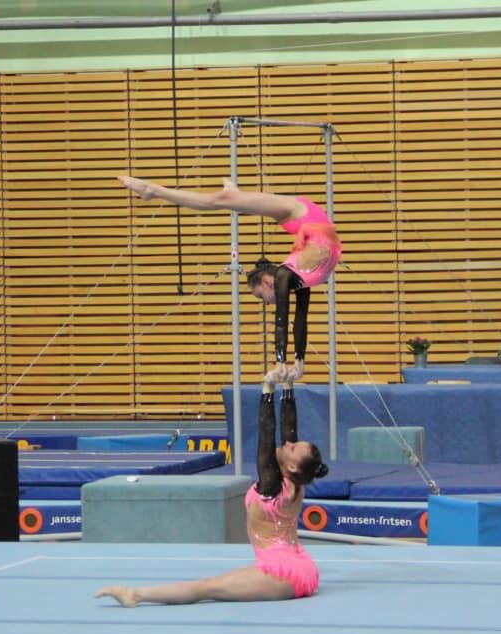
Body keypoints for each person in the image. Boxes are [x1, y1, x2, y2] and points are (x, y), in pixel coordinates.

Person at [95, 379, 328, 607]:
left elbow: (265, 438)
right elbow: (289, 430)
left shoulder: (274, 488)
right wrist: (287, 385)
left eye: (293, 447)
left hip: (283, 573)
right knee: (208, 586)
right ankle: (135, 594)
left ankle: (134, 595)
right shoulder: (295, 482)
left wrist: (267, 390)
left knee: (206, 587)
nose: (288, 443)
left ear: (293, 466)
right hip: (300, 565)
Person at [118, 175, 342, 382]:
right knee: (220, 201)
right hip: (306, 221)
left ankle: (170, 191)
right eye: (262, 298)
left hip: (307, 223)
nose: (266, 303)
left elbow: (291, 319)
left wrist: (288, 363)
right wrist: (291, 363)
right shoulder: (293, 275)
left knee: (224, 201)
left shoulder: (293, 273)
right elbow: (290, 319)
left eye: (261, 298)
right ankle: (156, 190)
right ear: (267, 281)